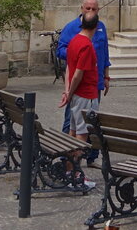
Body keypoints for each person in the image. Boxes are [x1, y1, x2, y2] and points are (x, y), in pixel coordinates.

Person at [56, 0, 111, 161]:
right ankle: (67, 158)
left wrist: (106, 76)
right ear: (81, 9)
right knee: (73, 122)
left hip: (96, 83)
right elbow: (61, 51)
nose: (90, 11)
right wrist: (81, 56)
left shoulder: (101, 27)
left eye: (94, 9)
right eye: (88, 8)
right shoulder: (72, 28)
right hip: (81, 87)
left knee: (92, 121)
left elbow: (105, 52)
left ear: (98, 11)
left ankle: (91, 156)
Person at [57, 12, 100, 190]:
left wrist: (67, 92)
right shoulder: (87, 45)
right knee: (82, 137)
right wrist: (71, 91)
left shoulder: (74, 41)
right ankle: (76, 174)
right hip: (86, 95)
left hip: (76, 95)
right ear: (96, 27)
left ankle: (68, 171)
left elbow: (68, 68)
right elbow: (78, 74)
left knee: (73, 132)